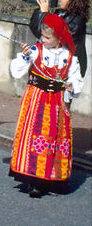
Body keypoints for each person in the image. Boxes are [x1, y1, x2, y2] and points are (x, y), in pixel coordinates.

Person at [10, 14, 83, 197]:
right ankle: (31, 178)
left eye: (48, 37)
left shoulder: (69, 57)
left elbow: (76, 78)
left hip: (57, 103)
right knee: (33, 136)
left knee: (55, 139)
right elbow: (16, 70)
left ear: (59, 38)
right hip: (36, 101)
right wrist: (26, 57)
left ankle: (51, 179)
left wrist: (71, 85)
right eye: (42, 36)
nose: (43, 39)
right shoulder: (36, 50)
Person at [30, 0, 89, 77]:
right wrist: (40, 9)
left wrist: (45, 14)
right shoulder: (60, 13)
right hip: (55, 66)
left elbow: (49, 34)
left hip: (68, 71)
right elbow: (35, 29)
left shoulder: (77, 20)